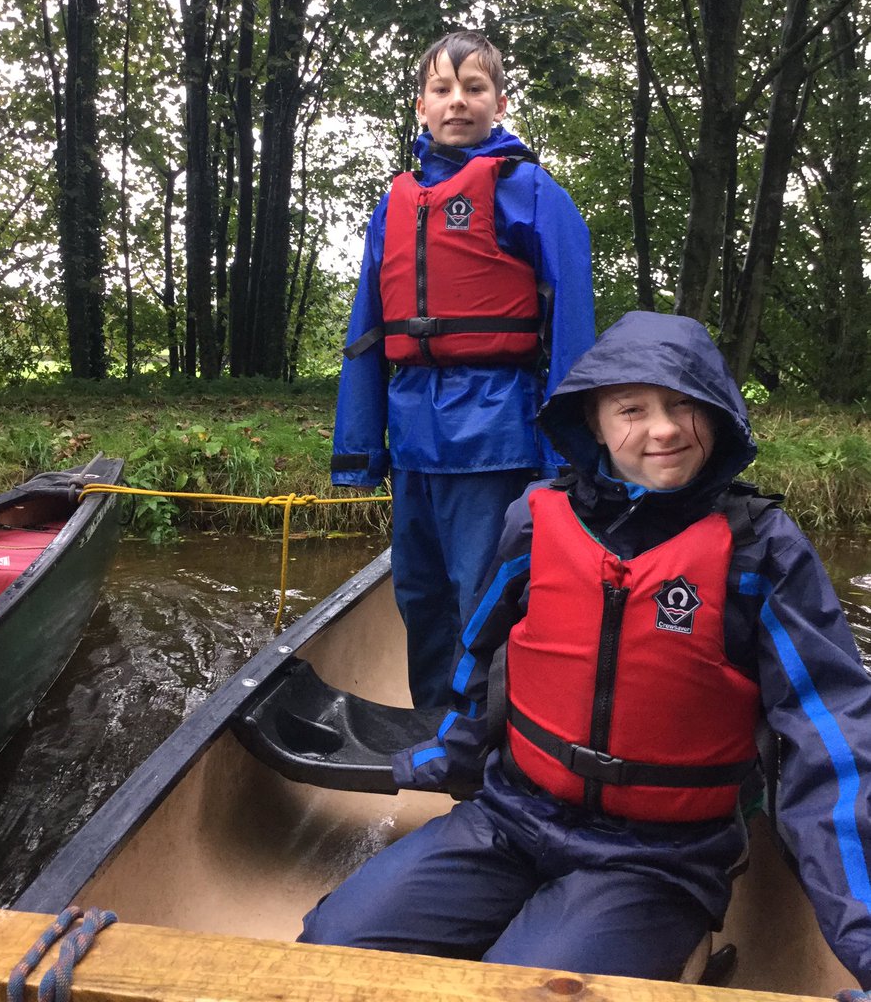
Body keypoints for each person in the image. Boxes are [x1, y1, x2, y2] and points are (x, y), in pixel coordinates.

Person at [302, 311, 871, 989]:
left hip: (661, 855)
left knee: (530, 986)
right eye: (632, 409)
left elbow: (831, 742)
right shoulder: (535, 519)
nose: (662, 429)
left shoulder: (762, 550)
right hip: (510, 815)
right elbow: (478, 659)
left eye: (685, 404)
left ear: (719, 416)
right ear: (594, 423)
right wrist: (450, 756)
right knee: (330, 947)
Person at [331, 30, 594, 708]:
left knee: (485, 594)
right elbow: (366, 330)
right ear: (421, 106)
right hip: (414, 434)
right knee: (419, 591)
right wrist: (359, 453)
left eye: (474, 88)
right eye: (443, 90)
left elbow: (572, 328)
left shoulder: (528, 190)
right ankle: (434, 728)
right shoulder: (395, 202)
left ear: (499, 102)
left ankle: (485, 738)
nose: (458, 101)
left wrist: (574, 453)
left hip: (496, 430)